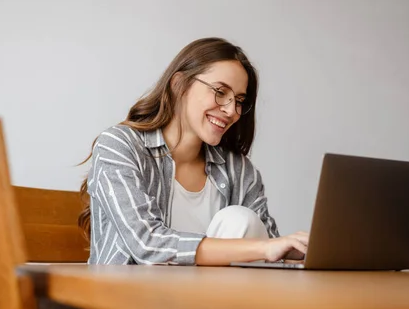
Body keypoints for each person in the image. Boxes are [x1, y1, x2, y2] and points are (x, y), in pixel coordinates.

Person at [78, 37, 309, 266]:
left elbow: (271, 253)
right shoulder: (119, 146)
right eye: (220, 92)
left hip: (221, 297)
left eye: (239, 100)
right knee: (238, 219)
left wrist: (302, 248)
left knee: (241, 220)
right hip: (131, 296)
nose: (231, 110)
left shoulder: (238, 170)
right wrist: (264, 248)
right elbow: (147, 244)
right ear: (179, 85)